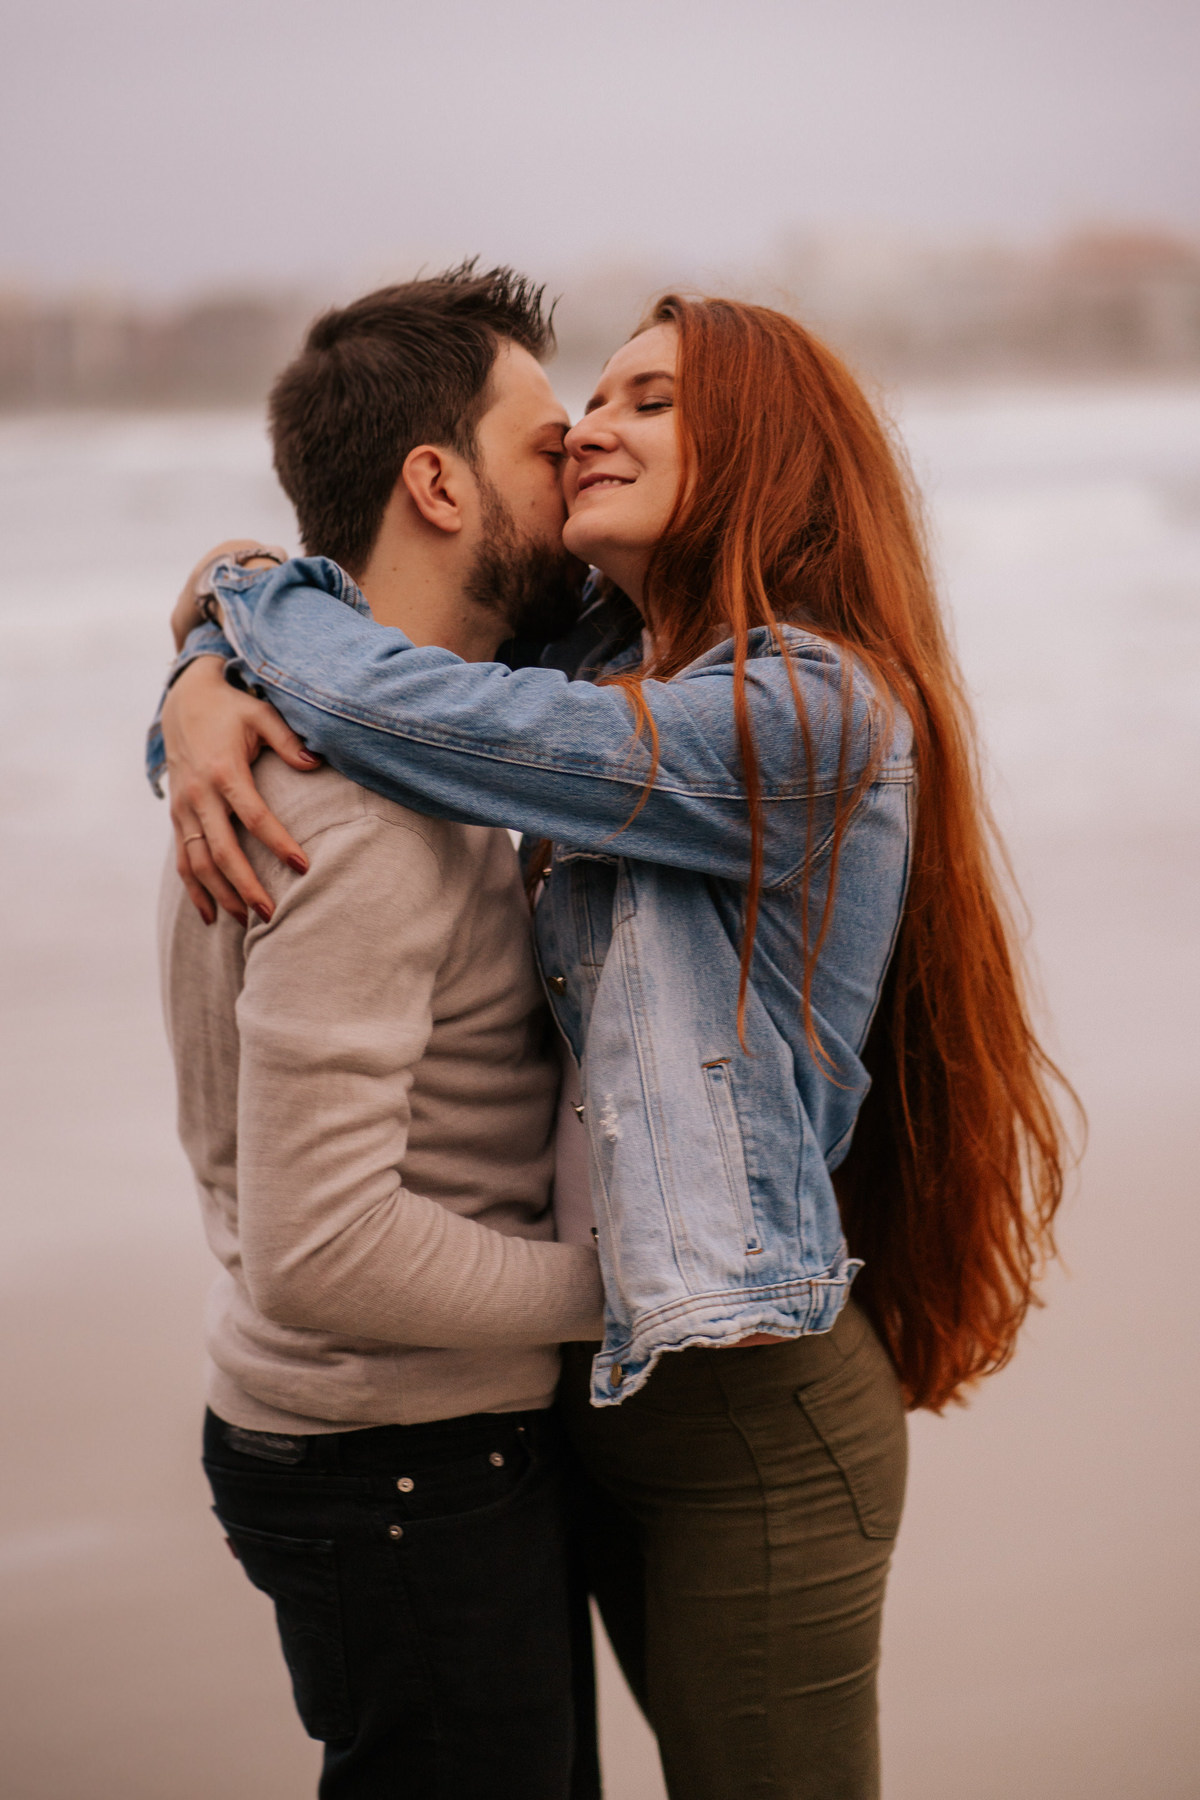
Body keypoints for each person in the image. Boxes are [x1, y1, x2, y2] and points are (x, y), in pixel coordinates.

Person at [160, 291, 1072, 1800]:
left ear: (764, 452)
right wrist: (201, 670)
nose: (594, 425)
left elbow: (399, 700)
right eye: (591, 402)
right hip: (588, 1399)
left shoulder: (807, 709)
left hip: (754, 1416)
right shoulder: (606, 663)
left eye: (651, 399)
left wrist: (215, 648)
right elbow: (380, 654)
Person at [152, 267, 612, 1800]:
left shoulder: (331, 716)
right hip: (398, 1461)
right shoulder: (363, 808)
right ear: (438, 481)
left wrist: (208, 639)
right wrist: (631, 1292)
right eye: (547, 445)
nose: (581, 469)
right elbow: (322, 1247)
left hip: (384, 1449)